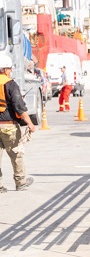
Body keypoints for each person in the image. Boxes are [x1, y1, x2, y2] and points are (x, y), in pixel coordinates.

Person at [0, 53, 36, 192]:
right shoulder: (11, 84)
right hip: (9, 127)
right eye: (10, 69)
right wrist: (30, 124)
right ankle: (20, 182)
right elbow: (19, 107)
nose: (11, 71)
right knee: (16, 155)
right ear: (6, 69)